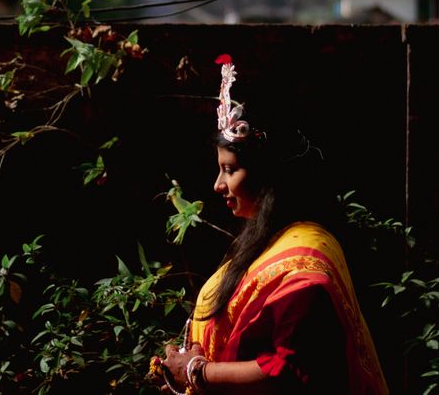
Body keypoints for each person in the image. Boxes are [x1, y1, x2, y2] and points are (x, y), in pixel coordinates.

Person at [151, 54, 389, 394]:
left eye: (230, 170)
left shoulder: (304, 265)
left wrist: (197, 371)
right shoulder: (264, 244)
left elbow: (288, 371)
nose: (218, 185)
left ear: (267, 177)